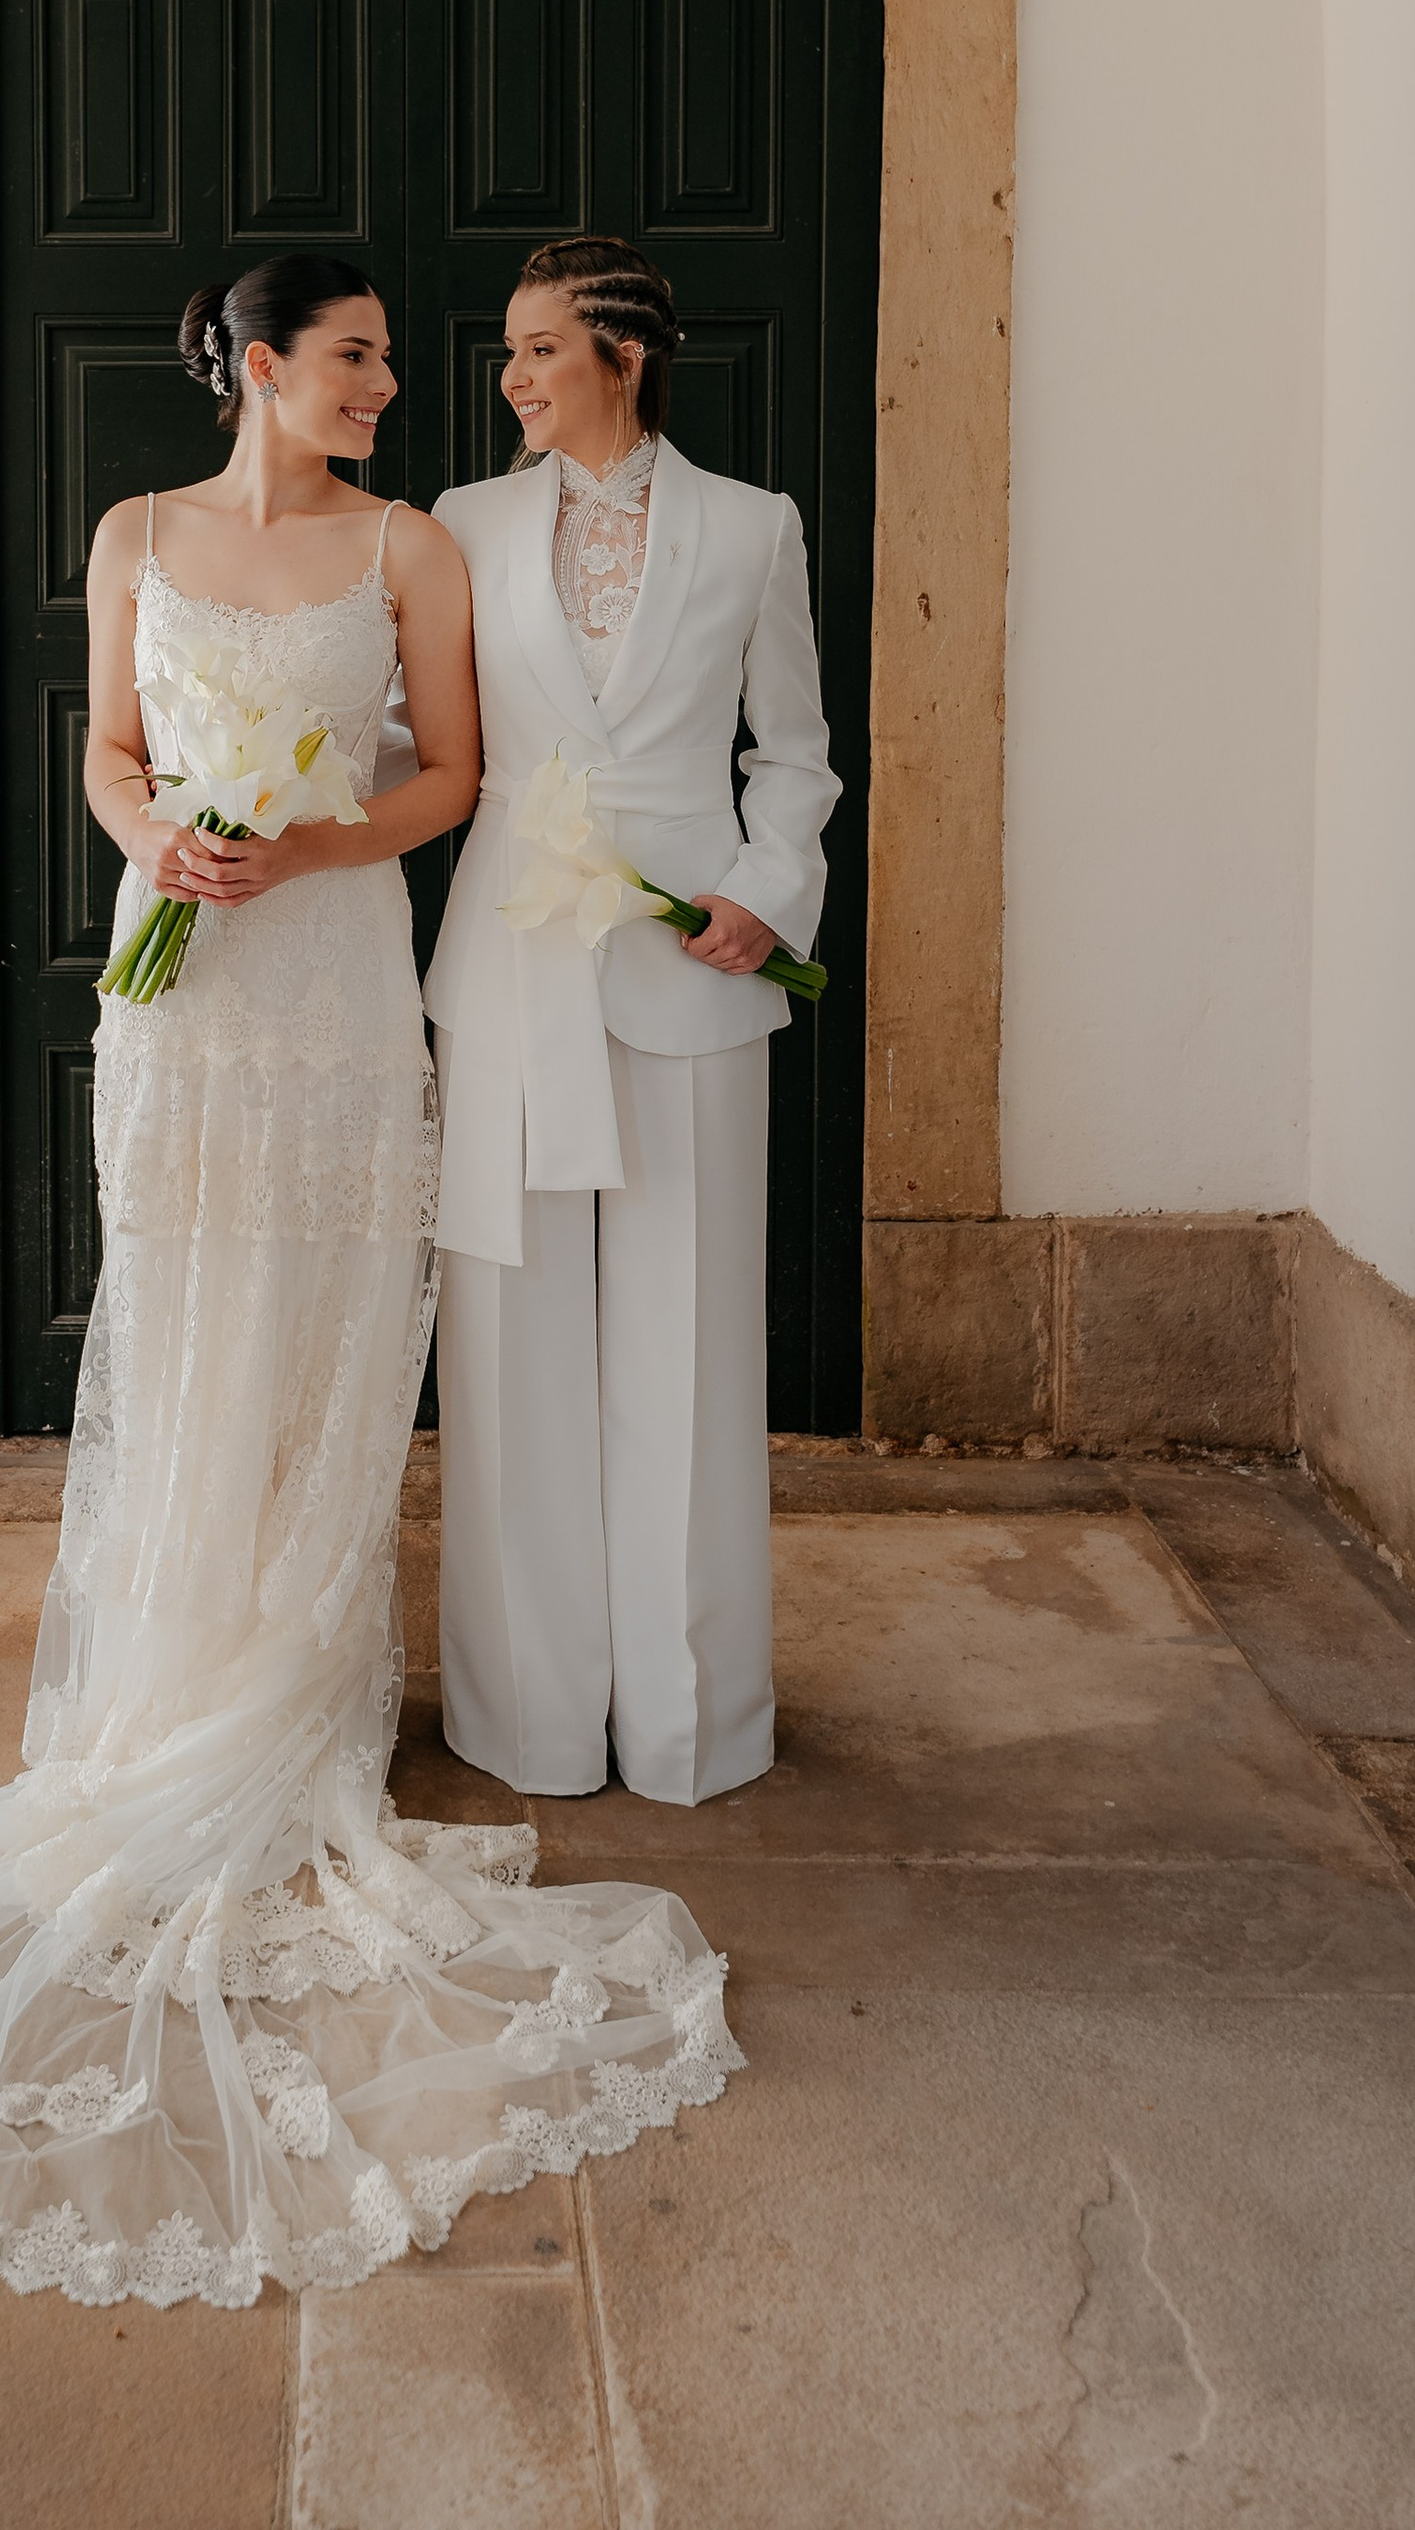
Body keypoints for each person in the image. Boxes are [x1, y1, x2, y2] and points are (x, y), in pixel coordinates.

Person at [0, 252, 739, 2307]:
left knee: (328, 1341)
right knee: (183, 1335)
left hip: (339, 988)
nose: (381, 386)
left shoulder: (410, 548)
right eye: (349, 359)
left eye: (379, 366)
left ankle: (295, 1702)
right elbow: (99, 748)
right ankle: (166, 1684)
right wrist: (156, 835)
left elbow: (448, 779)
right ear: (258, 365)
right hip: (172, 1000)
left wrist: (303, 843)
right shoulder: (133, 535)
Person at [429, 235, 841, 1808]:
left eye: (542, 349)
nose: (515, 377)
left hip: (694, 973)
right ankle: (531, 1715)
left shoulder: (751, 530)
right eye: (512, 352)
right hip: (508, 970)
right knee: (510, 1350)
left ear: (627, 356)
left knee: (686, 1347)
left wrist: (766, 890)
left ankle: (689, 1726)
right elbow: (418, 729)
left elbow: (794, 753)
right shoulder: (463, 526)